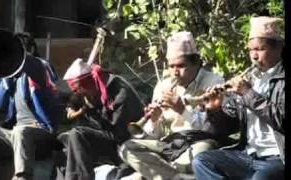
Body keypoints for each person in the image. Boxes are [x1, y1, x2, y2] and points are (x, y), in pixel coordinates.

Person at [119, 31, 239, 180]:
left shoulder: (213, 82)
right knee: (127, 148)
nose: (175, 72)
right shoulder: (163, 85)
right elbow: (155, 136)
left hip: (199, 141)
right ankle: (177, 176)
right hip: (172, 144)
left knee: (202, 152)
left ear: (195, 63)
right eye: (171, 66)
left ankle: (164, 174)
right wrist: (154, 120)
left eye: (181, 66)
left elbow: (213, 128)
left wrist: (181, 109)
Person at [192, 16, 285, 180]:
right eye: (251, 50)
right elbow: (227, 128)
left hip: (278, 158)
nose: (254, 56)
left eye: (260, 49)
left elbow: (282, 120)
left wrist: (248, 93)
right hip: (248, 154)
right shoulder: (250, 78)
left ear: (278, 49)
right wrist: (216, 110)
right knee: (202, 161)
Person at [0, 48, 62, 180]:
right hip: (14, 134)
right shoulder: (11, 79)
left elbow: (35, 66)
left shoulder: (38, 72)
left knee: (21, 131)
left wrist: (16, 55)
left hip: (42, 132)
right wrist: (2, 78)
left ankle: (22, 177)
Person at [58, 58, 144, 180]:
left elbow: (118, 133)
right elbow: (73, 102)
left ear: (87, 84)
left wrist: (91, 109)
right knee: (65, 140)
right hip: (108, 137)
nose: (77, 94)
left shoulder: (119, 92)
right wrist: (72, 108)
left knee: (77, 135)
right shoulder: (87, 91)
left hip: (125, 141)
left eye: (77, 90)